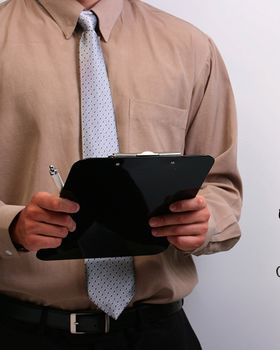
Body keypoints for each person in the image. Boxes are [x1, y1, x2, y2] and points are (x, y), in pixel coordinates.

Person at [0, 0, 242, 348]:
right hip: (19, 330)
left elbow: (221, 184)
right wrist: (12, 226)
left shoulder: (190, 47)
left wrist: (206, 220)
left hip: (158, 334)